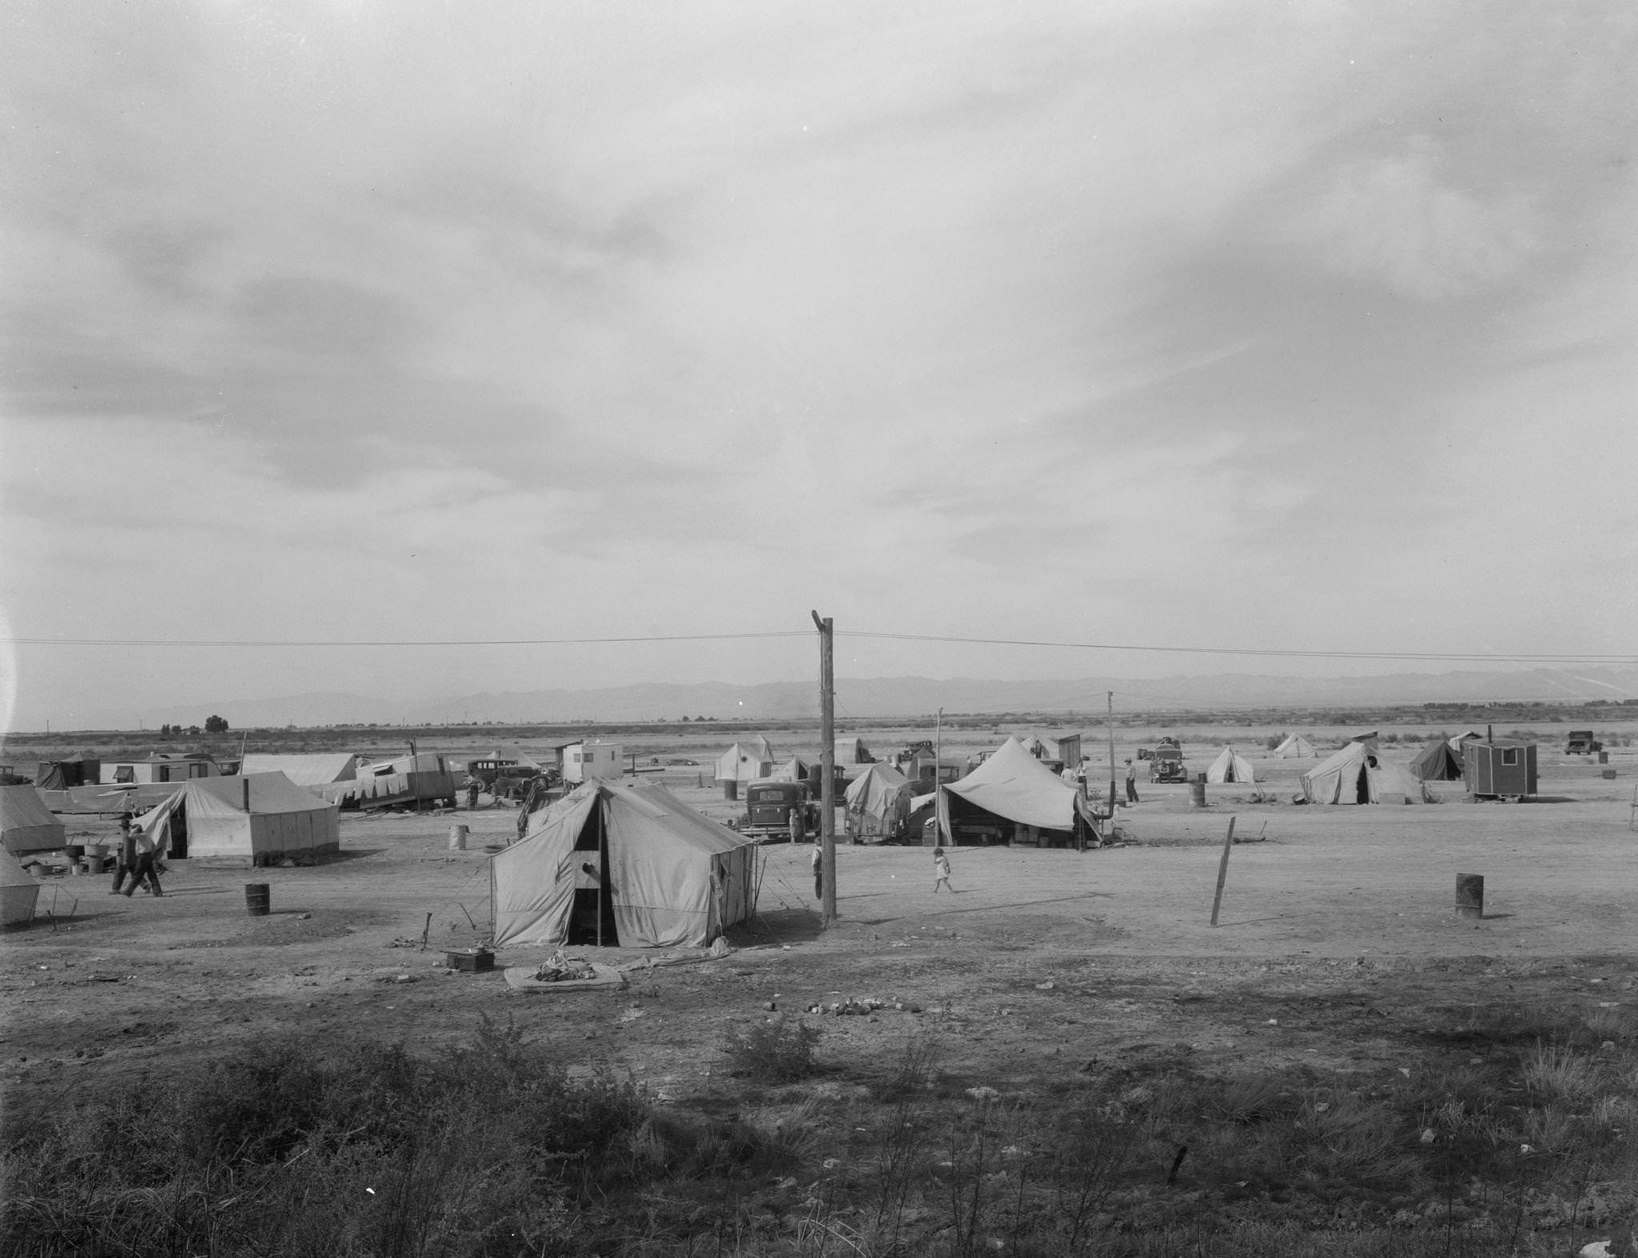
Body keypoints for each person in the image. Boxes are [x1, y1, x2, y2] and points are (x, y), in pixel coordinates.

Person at [122, 824, 162, 897]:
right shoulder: (147, 835)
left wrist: (133, 830)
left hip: (143, 857)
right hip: (148, 856)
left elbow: (130, 836)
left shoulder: (141, 836)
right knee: (152, 875)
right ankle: (158, 892)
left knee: (137, 875)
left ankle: (128, 891)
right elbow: (153, 846)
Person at [109, 816, 136, 895]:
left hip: (125, 857)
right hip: (133, 857)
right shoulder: (131, 834)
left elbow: (127, 848)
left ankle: (115, 889)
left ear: (123, 828)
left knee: (119, 873)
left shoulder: (125, 835)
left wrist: (125, 859)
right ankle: (145, 885)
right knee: (134, 872)